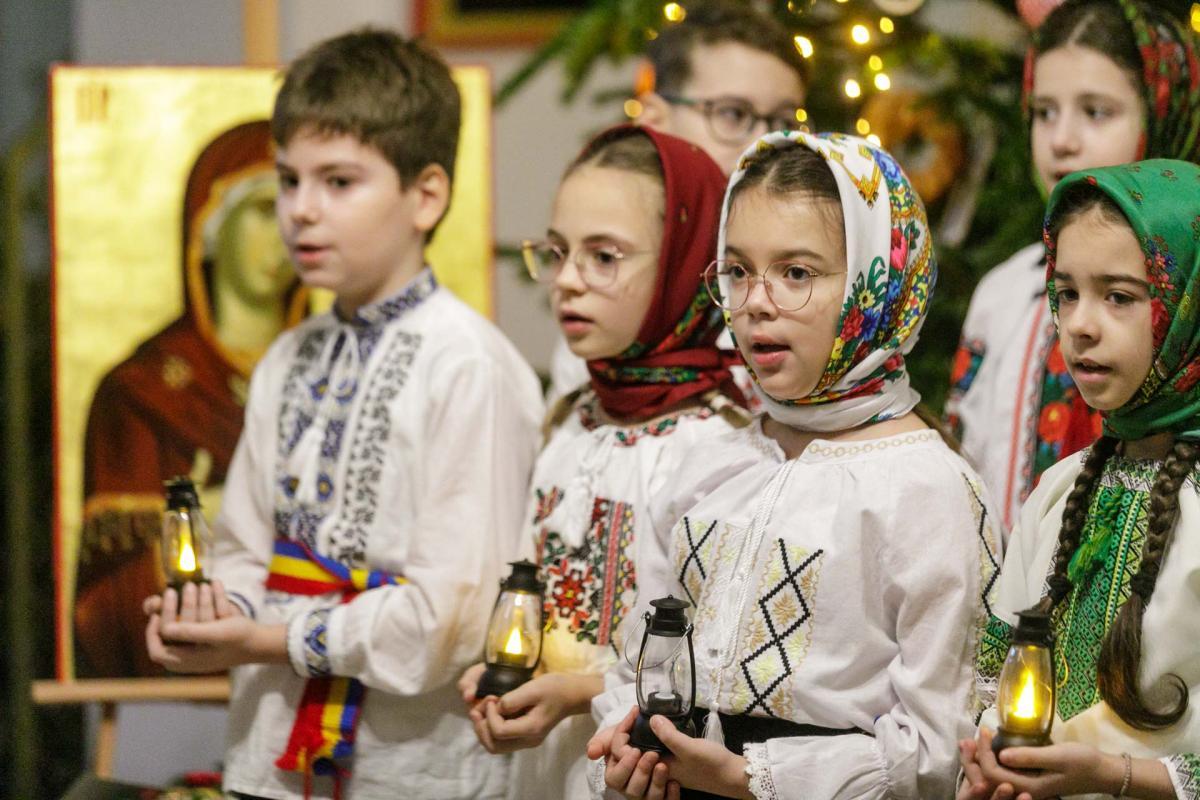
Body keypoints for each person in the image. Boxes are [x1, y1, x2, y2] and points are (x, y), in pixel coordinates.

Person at [142, 30, 543, 800]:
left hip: (411, 768)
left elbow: (452, 616)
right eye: (289, 180)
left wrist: (267, 637)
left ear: (426, 196)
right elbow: (243, 547)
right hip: (271, 756)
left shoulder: (468, 366)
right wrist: (211, 613)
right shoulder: (288, 358)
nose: (301, 211)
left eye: (338, 182)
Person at [588, 131, 1004, 799]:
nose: (756, 301)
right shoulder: (711, 461)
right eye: (738, 271)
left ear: (876, 286)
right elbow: (637, 655)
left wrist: (749, 778)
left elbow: (940, 748)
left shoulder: (928, 490)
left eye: (797, 274)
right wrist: (626, 735)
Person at [457, 125, 749, 800]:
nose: (566, 280)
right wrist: (504, 669)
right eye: (558, 253)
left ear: (683, 265)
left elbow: (716, 659)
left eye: (603, 257)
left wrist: (578, 692)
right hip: (539, 769)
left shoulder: (718, 445)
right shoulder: (571, 420)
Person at [957, 161, 1200, 800]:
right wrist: (991, 765)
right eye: (1067, 293)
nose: (1081, 324)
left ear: (1188, 307)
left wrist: (1114, 776)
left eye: (1119, 296)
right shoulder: (1060, 491)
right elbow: (994, 687)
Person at [946, 0, 1200, 532]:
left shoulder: (1191, 306)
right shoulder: (1004, 293)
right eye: (1044, 112)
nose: (1061, 139)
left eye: (1096, 111)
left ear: (1164, 113)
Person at [75, 119, 303, 678]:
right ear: (210, 224)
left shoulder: (338, 371)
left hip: (320, 667)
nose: (285, 230)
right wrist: (204, 523)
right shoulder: (142, 393)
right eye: (263, 209)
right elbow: (103, 606)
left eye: (295, 208)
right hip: (196, 668)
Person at [546, 0, 807, 404]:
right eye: (733, 114)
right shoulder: (614, 306)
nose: (765, 144)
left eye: (785, 122)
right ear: (654, 118)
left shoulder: (808, 288)